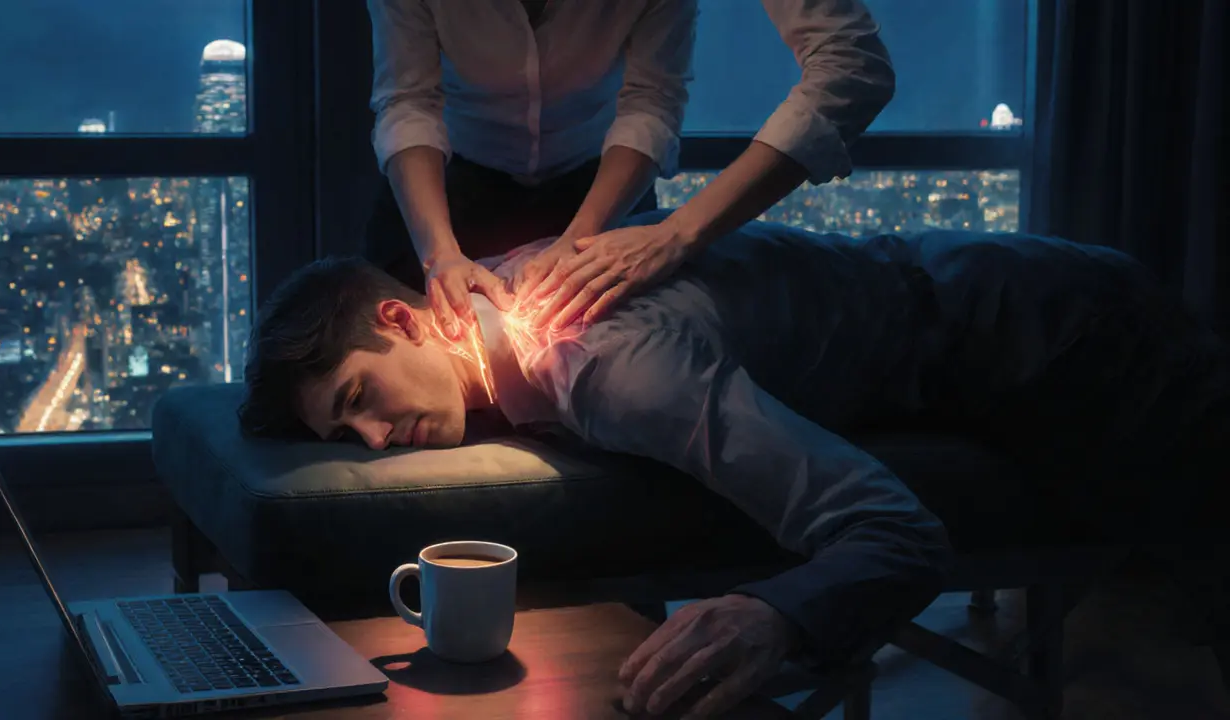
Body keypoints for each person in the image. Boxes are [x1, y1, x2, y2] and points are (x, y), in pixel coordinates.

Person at [240, 212, 1228, 717]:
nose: (372, 442)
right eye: (344, 438)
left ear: (401, 317)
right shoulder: (501, 295)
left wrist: (774, 613)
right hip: (972, 298)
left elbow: (893, 532)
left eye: (357, 401)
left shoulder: (610, 368)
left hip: (1059, 332)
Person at [364, 0, 897, 345]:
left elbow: (651, 102)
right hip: (445, 182)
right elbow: (409, 100)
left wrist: (611, 237)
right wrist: (440, 254)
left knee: (618, 357)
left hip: (605, 179)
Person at [515, 0, 899, 335]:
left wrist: (675, 234)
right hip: (472, 185)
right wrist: (449, 252)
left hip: (609, 179)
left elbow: (852, 65)